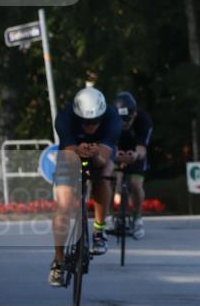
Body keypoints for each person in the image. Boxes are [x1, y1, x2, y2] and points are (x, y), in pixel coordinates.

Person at [48, 87, 122, 286]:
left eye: (95, 122)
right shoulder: (64, 118)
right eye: (86, 122)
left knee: (104, 176)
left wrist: (95, 153)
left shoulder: (113, 120)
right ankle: (58, 261)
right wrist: (77, 150)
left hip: (100, 155)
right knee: (63, 206)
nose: (90, 127)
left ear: (103, 114)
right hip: (70, 153)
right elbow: (69, 151)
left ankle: (99, 230)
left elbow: (102, 161)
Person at [107, 91, 153, 240]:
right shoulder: (109, 121)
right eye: (121, 120)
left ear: (134, 114)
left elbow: (142, 148)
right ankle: (108, 217)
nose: (124, 124)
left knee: (135, 184)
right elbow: (105, 145)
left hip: (136, 152)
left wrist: (135, 156)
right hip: (115, 151)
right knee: (109, 180)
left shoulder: (144, 120)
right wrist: (115, 155)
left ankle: (137, 218)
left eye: (127, 120)